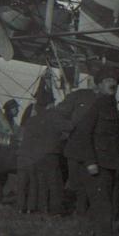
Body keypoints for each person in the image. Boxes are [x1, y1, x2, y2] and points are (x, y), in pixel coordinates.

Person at [65, 66, 119, 236]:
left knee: (100, 206)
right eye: (107, 81)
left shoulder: (112, 107)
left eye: (114, 81)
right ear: (98, 86)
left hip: (110, 164)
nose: (112, 84)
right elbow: (83, 134)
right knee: (104, 207)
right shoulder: (96, 106)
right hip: (97, 165)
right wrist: (90, 162)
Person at [56, 76, 100, 215]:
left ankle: (84, 210)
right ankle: (77, 209)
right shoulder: (80, 95)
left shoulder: (105, 100)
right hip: (76, 145)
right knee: (75, 181)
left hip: (95, 147)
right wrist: (69, 127)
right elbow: (59, 112)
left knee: (91, 181)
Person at [34, 84, 70, 215]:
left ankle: (42, 208)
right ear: (50, 104)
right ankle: (56, 210)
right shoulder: (54, 116)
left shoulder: (36, 117)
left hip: (38, 154)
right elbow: (68, 128)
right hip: (51, 153)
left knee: (42, 181)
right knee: (55, 181)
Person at [0, 99, 20, 206]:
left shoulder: (7, 120)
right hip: (3, 153)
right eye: (15, 108)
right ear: (9, 109)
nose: (17, 110)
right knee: (1, 177)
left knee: (1, 177)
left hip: (4, 153)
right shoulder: (4, 122)